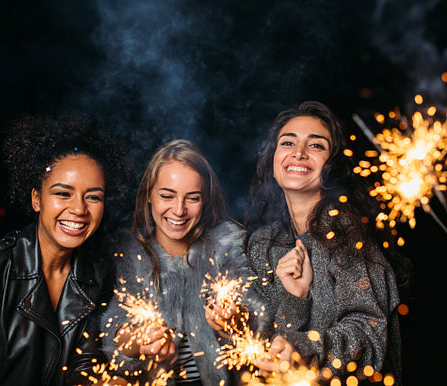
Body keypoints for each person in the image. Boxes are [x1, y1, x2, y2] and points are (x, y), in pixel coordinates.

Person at [0, 114, 128, 385]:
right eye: (62, 193)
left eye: (93, 197)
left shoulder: (99, 275)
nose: (79, 209)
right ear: (35, 199)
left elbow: (84, 365)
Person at [72, 139, 264, 386]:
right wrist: (139, 340)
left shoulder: (226, 246)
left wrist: (234, 320)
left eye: (192, 198)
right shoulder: (128, 254)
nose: (179, 210)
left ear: (205, 199)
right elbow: (116, 328)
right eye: (167, 195)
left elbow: (254, 315)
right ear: (149, 194)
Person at [245, 101, 408, 384]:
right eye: (287, 143)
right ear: (273, 162)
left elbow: (368, 337)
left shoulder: (349, 236)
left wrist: (303, 350)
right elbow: (264, 341)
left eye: (316, 146)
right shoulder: (263, 244)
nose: (299, 152)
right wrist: (296, 300)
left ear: (332, 166)